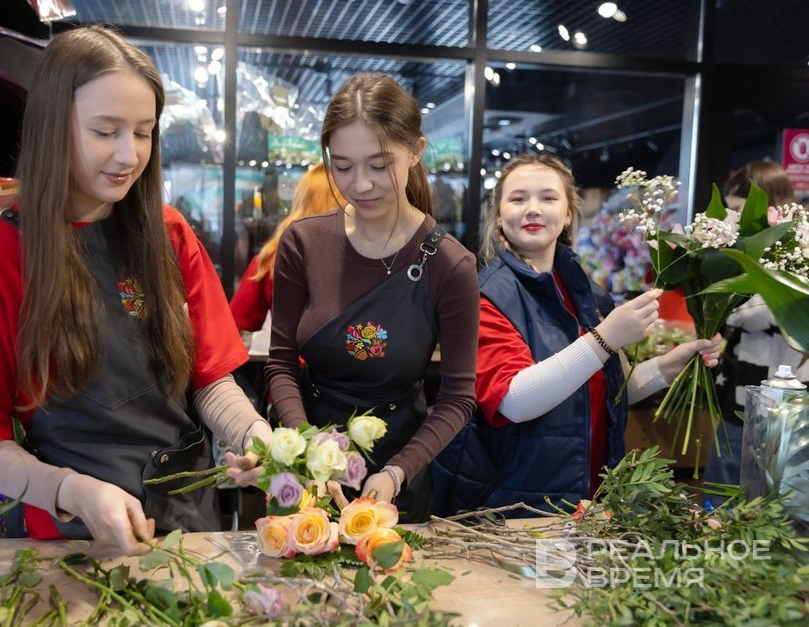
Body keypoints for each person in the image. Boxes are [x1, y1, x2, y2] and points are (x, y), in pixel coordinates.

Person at [0, 26, 268, 556]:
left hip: (190, 527)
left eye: (143, 132)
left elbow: (208, 378)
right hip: (71, 542)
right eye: (105, 131)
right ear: (52, 127)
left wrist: (257, 436)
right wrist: (71, 491)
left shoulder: (169, 234)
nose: (129, 155)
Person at [433, 154, 721, 515]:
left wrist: (666, 368)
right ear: (499, 215)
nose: (533, 209)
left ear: (568, 213)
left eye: (548, 198)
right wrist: (604, 339)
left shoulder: (585, 290)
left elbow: (602, 390)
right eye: (518, 198)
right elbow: (512, 401)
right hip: (514, 504)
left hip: (583, 498)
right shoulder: (485, 295)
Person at [264, 73, 479, 522]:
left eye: (379, 166)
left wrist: (398, 473)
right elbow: (281, 363)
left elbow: (458, 398)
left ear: (415, 152)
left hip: (397, 473)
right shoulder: (304, 242)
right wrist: (305, 449)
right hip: (306, 468)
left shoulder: (449, 264)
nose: (360, 184)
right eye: (342, 166)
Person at [704, 160, 809, 498]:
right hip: (739, 400)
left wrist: (728, 295)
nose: (731, 220)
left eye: (738, 211)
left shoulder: (796, 251)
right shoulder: (748, 252)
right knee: (724, 498)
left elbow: (760, 315)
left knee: (778, 503)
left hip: (782, 404)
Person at [229, 163, 345, 338]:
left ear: (301, 198)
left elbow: (232, 326)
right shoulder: (362, 255)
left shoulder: (271, 258)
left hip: (287, 354)